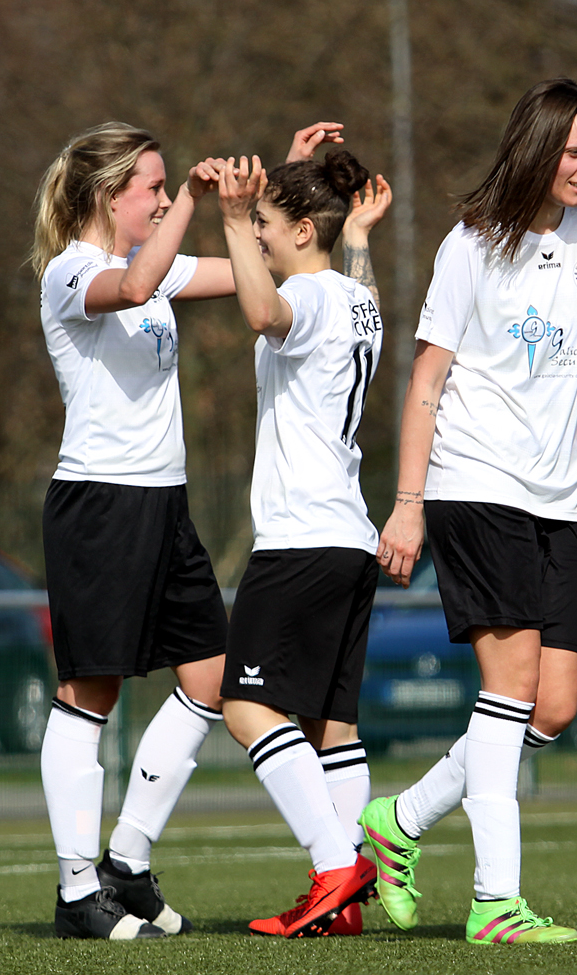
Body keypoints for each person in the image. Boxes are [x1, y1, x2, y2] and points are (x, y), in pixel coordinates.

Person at [31, 120, 363, 941]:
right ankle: (78, 890)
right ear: (114, 196)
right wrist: (194, 199)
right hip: (99, 505)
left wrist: (277, 179)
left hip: (165, 505)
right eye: (153, 184)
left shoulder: (157, 261)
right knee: (91, 691)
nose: (162, 194)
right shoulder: (72, 272)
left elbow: (274, 265)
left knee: (213, 679)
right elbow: (138, 285)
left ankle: (128, 862)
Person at [360, 79, 577, 946]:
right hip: (473, 487)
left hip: (558, 501)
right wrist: (406, 506)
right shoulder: (472, 244)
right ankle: (494, 903)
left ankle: (399, 821)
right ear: (540, 144)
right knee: (509, 691)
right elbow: (427, 382)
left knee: (551, 707)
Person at [213, 148, 392, 939]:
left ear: (303, 230)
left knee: (246, 706)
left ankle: (335, 866)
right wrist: (352, 235)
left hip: (301, 541)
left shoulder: (311, 297)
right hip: (348, 538)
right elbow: (347, 292)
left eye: (265, 227)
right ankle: (344, 906)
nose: (256, 237)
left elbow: (263, 313)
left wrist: (225, 221)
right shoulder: (357, 296)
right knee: (330, 726)